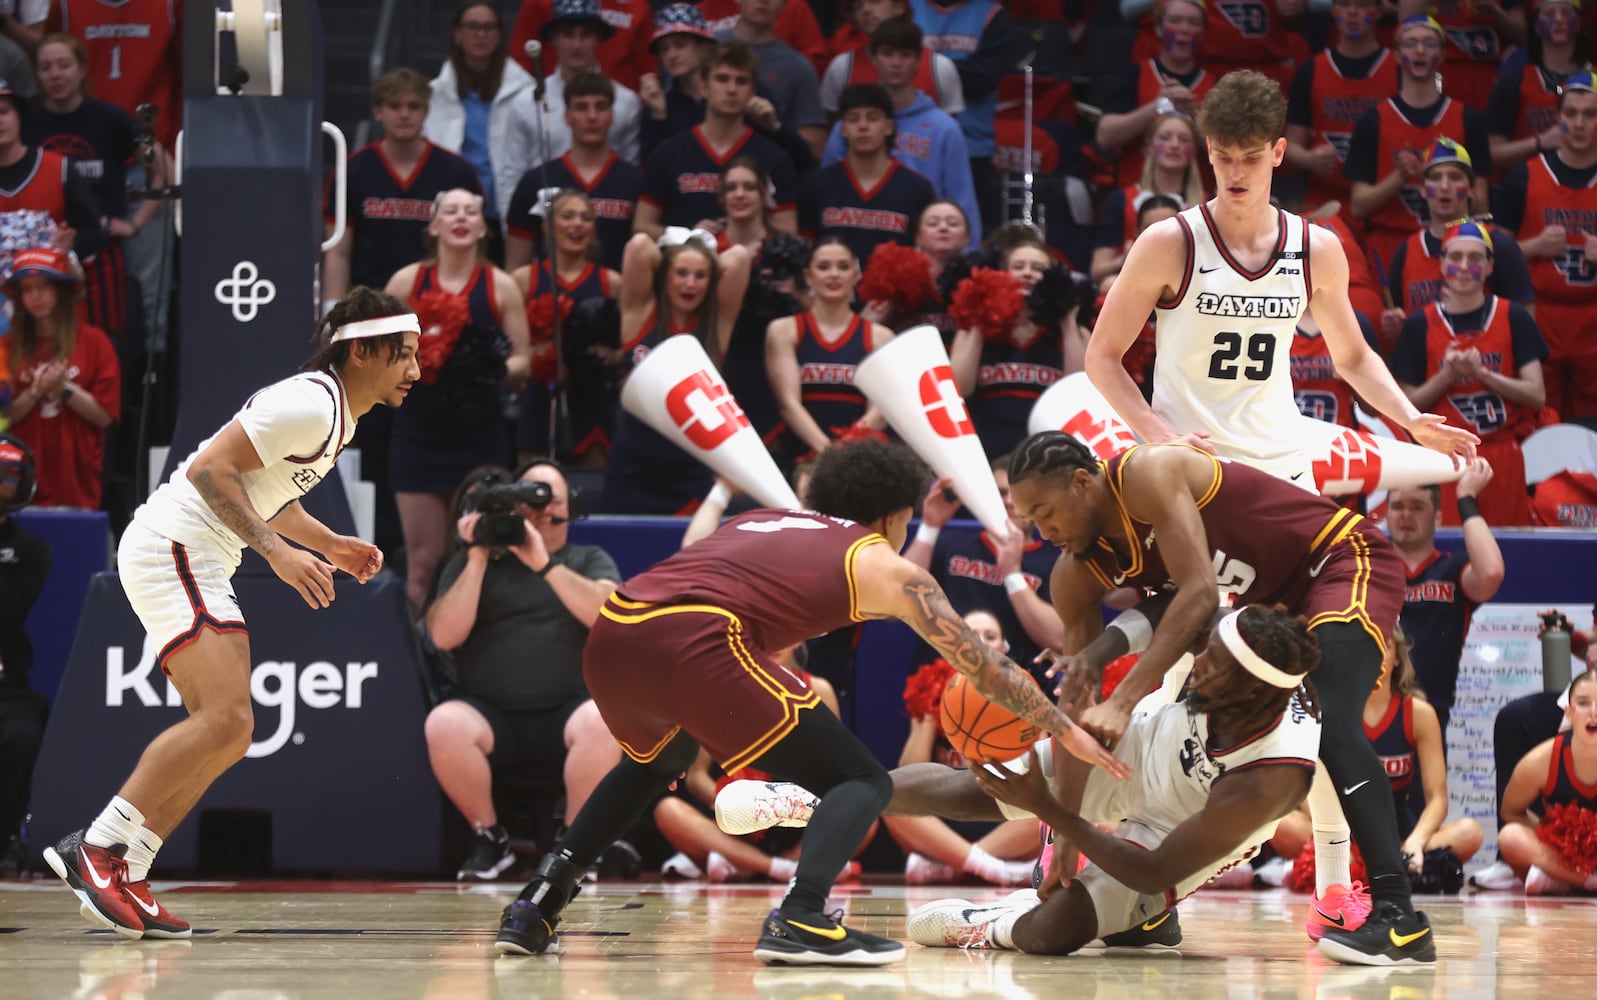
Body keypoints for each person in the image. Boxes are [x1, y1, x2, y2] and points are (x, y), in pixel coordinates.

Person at [491, 438, 1128, 962]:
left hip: (615, 632)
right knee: (862, 780)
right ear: (893, 516)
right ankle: (801, 916)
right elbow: (986, 669)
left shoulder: (761, 518)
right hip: (695, 636)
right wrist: (1060, 727)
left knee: (654, 762)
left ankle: (538, 902)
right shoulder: (885, 564)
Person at [41, 287, 420, 939]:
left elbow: (262, 489)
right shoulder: (308, 403)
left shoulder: (337, 413)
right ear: (362, 353)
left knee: (231, 729)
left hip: (201, 553)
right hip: (174, 546)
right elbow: (209, 472)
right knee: (224, 716)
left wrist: (328, 543)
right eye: (404, 355)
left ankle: (129, 867)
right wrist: (276, 555)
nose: (415, 369)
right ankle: (98, 847)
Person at [1005, 432, 1434, 965]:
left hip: (1338, 560)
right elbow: (1074, 710)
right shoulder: (1074, 573)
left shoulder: (1147, 472)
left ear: (1081, 481)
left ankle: (1399, 917)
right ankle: (1157, 910)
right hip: (1269, 604)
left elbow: (1202, 593)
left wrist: (1121, 700)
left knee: (1333, 721)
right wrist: (1066, 830)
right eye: (1031, 522)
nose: (1043, 532)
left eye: (1046, 512)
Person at [1085, 69, 1478, 487]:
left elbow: (1354, 357)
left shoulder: (1317, 249)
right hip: (1191, 462)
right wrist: (1161, 438)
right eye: (1225, 157)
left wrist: (1412, 419)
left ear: (1278, 152)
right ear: (1209, 150)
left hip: (1283, 465)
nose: (1236, 173)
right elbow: (1102, 357)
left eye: (1251, 157)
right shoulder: (1169, 242)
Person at [423, 459, 624, 881]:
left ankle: (574, 845)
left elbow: (607, 613)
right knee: (444, 724)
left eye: (549, 500)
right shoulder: (477, 562)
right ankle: (489, 839)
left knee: (603, 721)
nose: (539, 511)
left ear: (568, 509)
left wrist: (544, 565)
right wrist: (476, 555)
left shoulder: (588, 558)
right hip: (492, 715)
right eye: (529, 499)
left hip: (569, 711)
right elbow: (442, 636)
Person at [384, 188, 532, 613]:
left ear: (484, 227)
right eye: (450, 210)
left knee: (478, 556)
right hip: (418, 436)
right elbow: (379, 352)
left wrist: (487, 368)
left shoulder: (500, 285)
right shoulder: (406, 281)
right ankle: (415, 673)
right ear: (434, 225)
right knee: (423, 565)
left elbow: (524, 357)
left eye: (472, 211)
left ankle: (472, 672)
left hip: (479, 435)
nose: (461, 217)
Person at [1390, 221, 1547, 527]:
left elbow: (1537, 394)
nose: (1464, 266)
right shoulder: (1418, 325)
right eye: (1455, 257)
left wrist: (1482, 374)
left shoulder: (1513, 316)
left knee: (1508, 549)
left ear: (1490, 266)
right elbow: (1406, 406)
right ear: (1442, 263)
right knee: (1450, 546)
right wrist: (1447, 375)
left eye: (1475, 259)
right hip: (1443, 455)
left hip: (1502, 454)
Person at [653, 642, 850, 883]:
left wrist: (793, 805)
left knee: (867, 808)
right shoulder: (716, 692)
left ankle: (765, 861)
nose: (777, 641)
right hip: (735, 824)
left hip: (801, 819)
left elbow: (839, 773)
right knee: (669, 811)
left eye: (786, 631)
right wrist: (735, 804)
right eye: (767, 631)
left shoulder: (819, 690)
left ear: (800, 635)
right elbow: (696, 777)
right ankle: (778, 868)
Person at [27, 33, 169, 343]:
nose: (55, 75)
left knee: (103, 344)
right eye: (46, 67)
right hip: (38, 252)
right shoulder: (26, 121)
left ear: (81, 70)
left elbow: (164, 168)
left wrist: (135, 223)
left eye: (64, 65)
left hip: (101, 251)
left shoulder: (110, 118)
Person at [600, 229, 752, 513]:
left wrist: (700, 253)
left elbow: (740, 258)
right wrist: (677, 251)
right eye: (680, 273)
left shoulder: (715, 323)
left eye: (701, 276)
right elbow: (639, 245)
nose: (690, 284)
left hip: (691, 470)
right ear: (664, 274)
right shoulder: (639, 313)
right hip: (633, 468)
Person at [887, 610, 1039, 886]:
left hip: (1002, 811)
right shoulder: (931, 687)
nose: (980, 642)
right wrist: (930, 717)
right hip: (943, 813)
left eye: (990, 636)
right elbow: (909, 771)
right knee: (890, 802)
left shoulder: (1026, 691)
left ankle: (956, 865)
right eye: (971, 635)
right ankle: (991, 868)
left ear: (1004, 649)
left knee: (1050, 807)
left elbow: (1042, 773)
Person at [1343, 15, 1493, 277]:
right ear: (1398, 56)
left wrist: (1446, 182)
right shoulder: (1373, 121)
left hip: (1454, 240)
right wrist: (1400, 177)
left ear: (1443, 54)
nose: (1420, 50)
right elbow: (1358, 205)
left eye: (1429, 43)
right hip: (1389, 241)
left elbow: (1480, 205)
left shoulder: (1468, 118)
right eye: (1411, 44)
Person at [323, 68, 484, 308]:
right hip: (367, 298)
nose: (405, 114)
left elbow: (475, 245)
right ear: (378, 111)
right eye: (395, 106)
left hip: (438, 300)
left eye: (414, 106)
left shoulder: (456, 172)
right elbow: (338, 251)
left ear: (427, 112)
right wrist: (333, 305)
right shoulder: (352, 170)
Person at [1495, 70, 1597, 429]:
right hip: (1540, 316)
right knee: (1542, 422)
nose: (1580, 123)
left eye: (1590, 114)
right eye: (1571, 114)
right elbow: (1491, 258)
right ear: (1558, 118)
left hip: (1593, 321)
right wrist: (1533, 246)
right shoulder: (1524, 177)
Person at [905, 456, 1063, 683]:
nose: (1009, 501)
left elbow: (1058, 640)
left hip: (1016, 690)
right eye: (1000, 493)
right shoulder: (953, 544)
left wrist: (1012, 575)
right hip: (942, 681)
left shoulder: (1055, 563)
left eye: (1018, 493)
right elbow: (900, 599)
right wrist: (930, 527)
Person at [821, 18, 979, 245]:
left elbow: (962, 201)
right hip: (855, 233)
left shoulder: (944, 129)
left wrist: (964, 260)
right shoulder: (849, 125)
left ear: (918, 60)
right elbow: (829, 190)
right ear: (873, 59)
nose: (896, 63)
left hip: (924, 241)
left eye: (905, 55)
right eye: (888, 53)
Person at [634, 43, 799, 238]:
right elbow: (641, 226)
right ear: (704, 87)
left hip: (750, 263)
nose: (731, 89)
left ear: (752, 91)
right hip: (683, 263)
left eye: (741, 81)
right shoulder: (669, 152)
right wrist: (689, 236)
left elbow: (788, 232)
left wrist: (742, 232)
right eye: (722, 79)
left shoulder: (773, 157)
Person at [1385, 461, 1505, 729]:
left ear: (1438, 517)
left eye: (1417, 507)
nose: (1406, 515)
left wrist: (1465, 498)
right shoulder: (1370, 568)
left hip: (1432, 713)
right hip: (1369, 711)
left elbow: (1491, 572)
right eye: (1397, 506)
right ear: (1386, 515)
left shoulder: (1452, 569)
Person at [1381, 139, 1535, 341]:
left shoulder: (1500, 246)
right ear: (1422, 190)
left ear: (1472, 189)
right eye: (1435, 178)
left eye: (1455, 178)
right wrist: (1391, 329)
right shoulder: (1406, 251)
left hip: (1485, 365)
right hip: (1426, 368)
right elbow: (1398, 331)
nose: (1444, 186)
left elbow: (1527, 327)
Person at [0, 247, 119, 509]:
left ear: (62, 291)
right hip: (17, 484)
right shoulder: (6, 347)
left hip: (77, 481)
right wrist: (34, 392)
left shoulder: (95, 342)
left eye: (43, 286)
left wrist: (64, 388)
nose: (35, 296)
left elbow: (105, 415)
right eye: (27, 289)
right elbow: (3, 418)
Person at [512, 189, 622, 469]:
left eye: (586, 218)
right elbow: (511, 345)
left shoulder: (613, 282)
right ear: (548, 225)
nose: (577, 224)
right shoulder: (523, 280)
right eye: (568, 216)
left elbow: (629, 346)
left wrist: (611, 356)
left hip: (594, 403)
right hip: (539, 400)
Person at [951, 227, 1083, 459]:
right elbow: (960, 388)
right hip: (986, 450)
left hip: (1047, 453)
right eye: (1018, 267)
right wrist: (984, 316)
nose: (1028, 273)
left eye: (1038, 268)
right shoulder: (973, 329)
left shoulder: (1074, 331)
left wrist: (1068, 321)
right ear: (1002, 274)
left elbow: (1078, 388)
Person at [422, 2, 537, 256]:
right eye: (473, 27)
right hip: (452, 213)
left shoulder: (527, 91)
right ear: (457, 33)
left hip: (505, 212)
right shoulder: (433, 94)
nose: (481, 35)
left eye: (489, 27)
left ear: (500, 34)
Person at [764, 236, 893, 459]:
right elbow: (788, 404)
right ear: (808, 276)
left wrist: (846, 448)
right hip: (800, 454)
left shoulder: (881, 337)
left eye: (843, 267)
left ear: (856, 275)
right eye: (824, 267)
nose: (834, 274)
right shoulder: (784, 330)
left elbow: (881, 410)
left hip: (859, 457)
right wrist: (826, 452)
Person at [499, 0, 643, 194]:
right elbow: (511, 176)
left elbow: (632, 175)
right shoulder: (526, 103)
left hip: (606, 212)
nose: (577, 45)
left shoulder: (626, 103)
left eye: (586, 35)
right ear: (554, 39)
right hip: (541, 217)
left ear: (598, 39)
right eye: (568, 35)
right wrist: (512, 223)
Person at [504, 72, 641, 273]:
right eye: (582, 107)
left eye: (600, 107)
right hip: (551, 302)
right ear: (567, 116)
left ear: (612, 116)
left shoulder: (636, 181)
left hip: (618, 297)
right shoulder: (537, 181)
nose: (592, 116)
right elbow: (516, 266)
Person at [1283, 0, 1397, 220]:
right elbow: (1291, 146)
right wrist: (1309, 158)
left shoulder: (1398, 69)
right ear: (1334, 10)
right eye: (1344, 4)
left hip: (1384, 200)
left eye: (1362, 4)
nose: (1353, 11)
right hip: (1324, 200)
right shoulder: (1311, 70)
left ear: (1379, 11)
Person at [801, 83, 934, 263]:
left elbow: (926, 255)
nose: (863, 126)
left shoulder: (918, 189)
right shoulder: (817, 185)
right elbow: (807, 250)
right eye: (853, 119)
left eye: (873, 118)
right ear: (843, 129)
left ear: (888, 127)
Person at [1094, 0, 1217, 190]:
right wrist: (1161, 104)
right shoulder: (1133, 75)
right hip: (1136, 194)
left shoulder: (1216, 86)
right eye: (1175, 20)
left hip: (1196, 201)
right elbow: (1105, 136)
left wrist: (1193, 112)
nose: (1184, 29)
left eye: (1193, 22)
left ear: (1202, 33)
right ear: (1159, 28)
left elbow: (1227, 153)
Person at [1497, 672, 1597, 894]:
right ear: (1569, 713)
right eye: (1583, 703)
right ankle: (1585, 881)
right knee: (1510, 836)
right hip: (1563, 857)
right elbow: (1511, 812)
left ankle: (1558, 881)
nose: (1594, 713)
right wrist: (1555, 836)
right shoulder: (1542, 760)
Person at [0, 434, 50, 857]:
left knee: (22, 735)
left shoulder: (31, 551)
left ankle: (5, 838)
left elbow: (10, 612)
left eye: (8, 477)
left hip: (7, 682)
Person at [1090, 109, 1206, 288]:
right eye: (1165, 138)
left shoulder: (1209, 205)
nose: (1174, 145)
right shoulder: (1122, 199)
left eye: (1184, 140)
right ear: (1149, 146)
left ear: (1194, 149)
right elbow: (1097, 269)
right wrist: (1124, 259)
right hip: (1135, 285)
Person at [0, 80, 104, 262]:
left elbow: (93, 232)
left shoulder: (58, 168)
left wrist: (68, 247)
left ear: (19, 116)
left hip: (50, 281)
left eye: (3, 112)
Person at [717, 0, 829, 162]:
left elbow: (816, 147)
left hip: (768, 171)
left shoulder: (798, 67)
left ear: (785, 5)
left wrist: (776, 127)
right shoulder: (708, 50)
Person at [820, 1, 964, 116]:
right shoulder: (842, 67)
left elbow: (948, 136)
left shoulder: (939, 67)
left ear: (899, 6)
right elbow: (835, 132)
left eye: (875, 1)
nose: (865, 10)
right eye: (858, 6)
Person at [510, 0, 657, 92]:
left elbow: (648, 70)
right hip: (552, 100)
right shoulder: (540, 3)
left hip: (616, 107)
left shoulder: (636, 6)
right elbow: (522, 59)